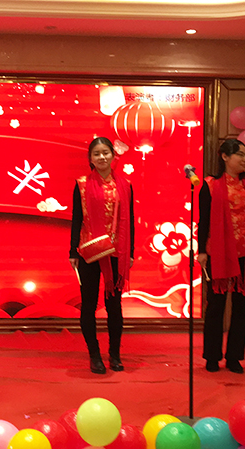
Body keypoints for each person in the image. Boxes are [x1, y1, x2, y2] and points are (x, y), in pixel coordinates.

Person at [197, 138, 245, 374]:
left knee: (242, 308)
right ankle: (212, 357)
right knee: (215, 307)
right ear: (225, 157)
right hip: (218, 252)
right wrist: (201, 250)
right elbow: (203, 220)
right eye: (240, 154)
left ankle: (234, 357)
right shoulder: (209, 185)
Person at [69, 137, 134, 374]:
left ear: (113, 156)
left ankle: (114, 354)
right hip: (90, 251)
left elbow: (130, 219)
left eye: (106, 152)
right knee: (88, 304)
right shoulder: (81, 184)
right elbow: (77, 218)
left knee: (114, 305)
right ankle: (94, 355)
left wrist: (130, 252)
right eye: (96, 153)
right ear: (90, 159)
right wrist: (72, 251)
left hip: (116, 252)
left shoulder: (125, 185)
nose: (102, 157)